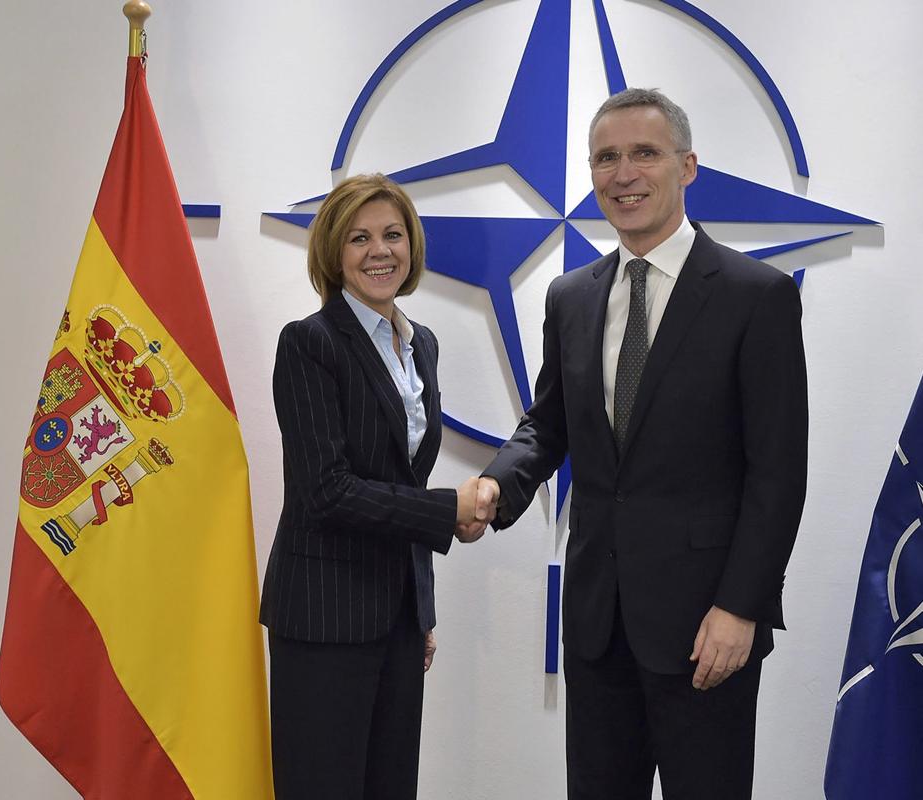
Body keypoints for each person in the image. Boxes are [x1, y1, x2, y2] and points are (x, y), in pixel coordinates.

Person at [466, 88, 808, 799]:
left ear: (687, 166)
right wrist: (499, 485)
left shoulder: (757, 296)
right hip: (597, 624)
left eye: (643, 154)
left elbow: (776, 472)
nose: (623, 173)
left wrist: (741, 607)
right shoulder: (571, 297)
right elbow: (547, 425)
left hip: (706, 627)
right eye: (606, 158)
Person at [260, 173, 483, 800]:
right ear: (334, 253)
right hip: (324, 616)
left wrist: (419, 607)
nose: (379, 250)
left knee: (391, 788)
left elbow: (399, 477)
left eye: (392, 234)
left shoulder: (422, 345)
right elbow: (326, 491)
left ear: (411, 245)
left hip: (397, 618)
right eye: (359, 238)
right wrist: (449, 511)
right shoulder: (310, 342)